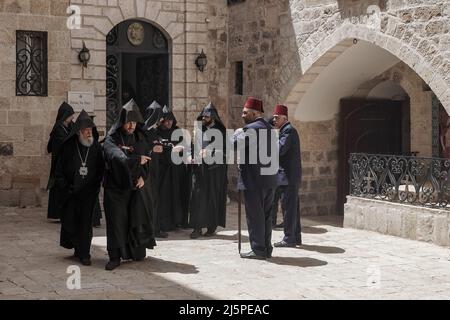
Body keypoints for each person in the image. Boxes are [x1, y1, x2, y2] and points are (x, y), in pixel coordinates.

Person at [102, 99, 155, 271]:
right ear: (122, 122)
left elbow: (147, 160)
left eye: (134, 122)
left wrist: (143, 177)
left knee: (135, 219)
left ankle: (136, 251)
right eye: (128, 122)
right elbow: (116, 157)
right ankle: (115, 257)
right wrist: (134, 160)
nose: (131, 126)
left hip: (134, 189)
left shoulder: (139, 137)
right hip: (116, 189)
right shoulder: (112, 139)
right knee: (117, 222)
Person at [54, 110, 104, 266]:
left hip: (89, 193)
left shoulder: (95, 146)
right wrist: (66, 187)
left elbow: (100, 168)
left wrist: (95, 187)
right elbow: (59, 170)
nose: (89, 133)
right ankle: (77, 248)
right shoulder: (68, 146)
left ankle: (85, 253)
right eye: (86, 130)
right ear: (78, 132)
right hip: (71, 192)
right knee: (71, 222)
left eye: (90, 130)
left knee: (85, 224)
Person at [232, 97, 278, 260]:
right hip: (269, 180)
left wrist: (236, 135)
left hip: (253, 180)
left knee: (255, 216)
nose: (242, 115)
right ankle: (266, 248)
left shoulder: (250, 129)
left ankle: (258, 250)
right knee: (265, 216)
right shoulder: (270, 128)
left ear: (254, 113)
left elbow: (233, 146)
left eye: (245, 113)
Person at [189, 102, 228, 239]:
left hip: (214, 172)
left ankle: (211, 227)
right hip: (200, 170)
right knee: (197, 198)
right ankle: (197, 227)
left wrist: (211, 151)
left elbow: (225, 151)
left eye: (207, 116)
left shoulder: (221, 131)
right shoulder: (199, 129)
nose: (204, 118)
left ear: (213, 117)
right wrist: (191, 156)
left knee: (212, 198)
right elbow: (194, 147)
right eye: (203, 116)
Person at [153, 106, 190, 236]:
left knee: (178, 194)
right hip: (164, 171)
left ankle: (178, 221)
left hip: (177, 170)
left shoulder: (177, 131)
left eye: (171, 120)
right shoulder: (156, 132)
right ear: (161, 121)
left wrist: (181, 149)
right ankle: (165, 223)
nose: (169, 123)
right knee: (165, 197)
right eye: (166, 120)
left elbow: (185, 146)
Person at [271, 104, 302, 247]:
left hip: (288, 177)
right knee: (292, 208)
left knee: (288, 208)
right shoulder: (286, 130)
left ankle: (289, 238)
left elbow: (280, 149)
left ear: (284, 118)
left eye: (277, 118)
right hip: (289, 177)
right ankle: (295, 237)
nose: (274, 120)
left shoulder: (288, 131)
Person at [47, 102, 75, 220]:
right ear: (65, 116)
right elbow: (61, 144)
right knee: (58, 188)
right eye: (70, 116)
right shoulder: (58, 130)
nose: (72, 117)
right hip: (60, 164)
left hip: (67, 163)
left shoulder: (69, 126)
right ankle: (57, 213)